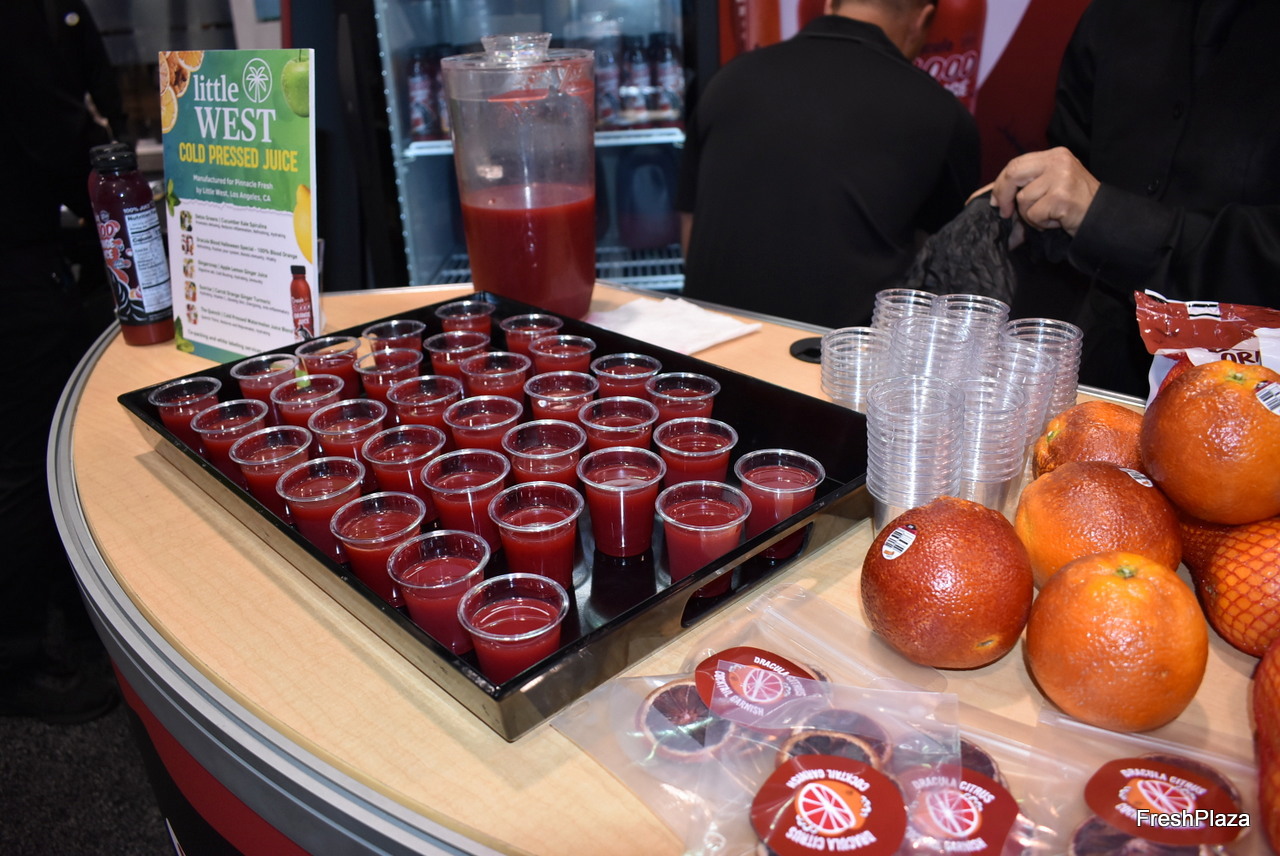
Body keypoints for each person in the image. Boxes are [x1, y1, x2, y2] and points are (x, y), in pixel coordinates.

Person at [989, 0, 1280, 397]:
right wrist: (1028, 208)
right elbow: (1074, 160)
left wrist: (1110, 219)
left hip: (1255, 385)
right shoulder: (1116, 15)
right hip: (1103, 365)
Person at [676, 0, 980, 328]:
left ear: (828, 4)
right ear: (924, 18)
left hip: (710, 338)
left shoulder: (727, 79)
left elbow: (691, 221)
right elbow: (951, 263)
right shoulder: (941, 112)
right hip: (838, 352)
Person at [0, 0, 124, 722]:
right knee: (26, 462)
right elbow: (54, 132)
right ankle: (19, 660)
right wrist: (113, 174)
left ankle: (52, 622)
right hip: (15, 266)